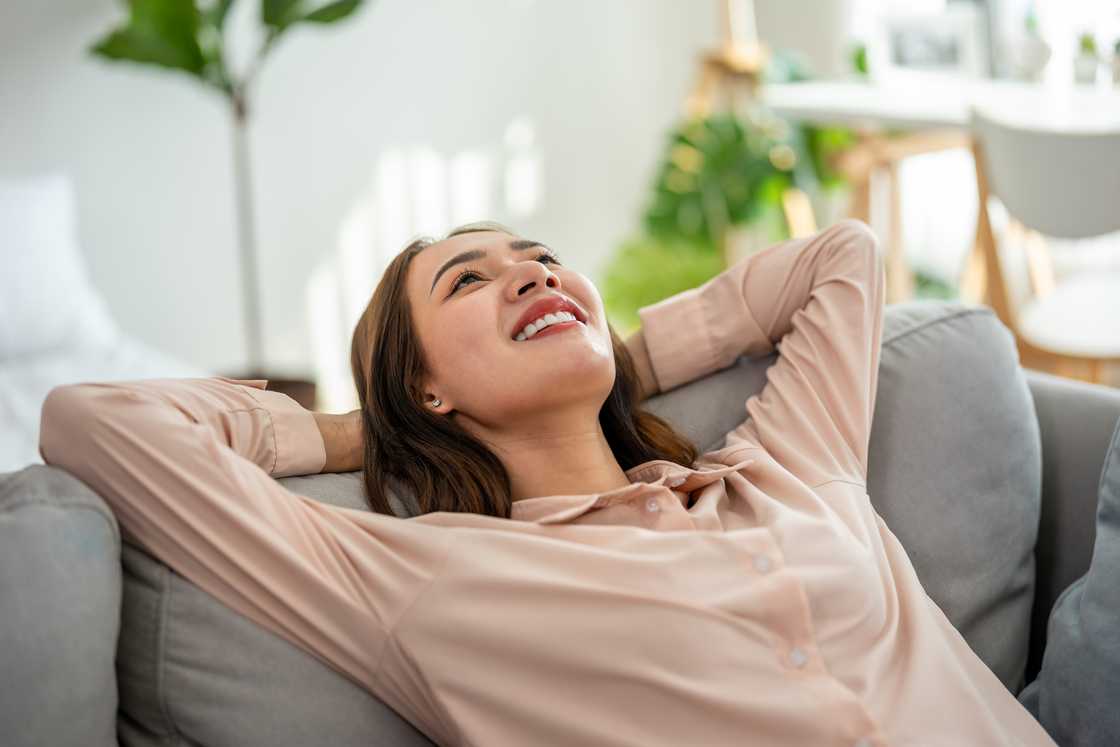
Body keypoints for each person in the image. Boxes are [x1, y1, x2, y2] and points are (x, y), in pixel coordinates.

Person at [39, 219, 1056, 746]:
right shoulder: (417, 583)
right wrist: (359, 433)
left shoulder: (786, 466)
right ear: (422, 386)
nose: (529, 276)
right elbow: (93, 422)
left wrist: (610, 354)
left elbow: (843, 256)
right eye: (468, 281)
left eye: (542, 260)